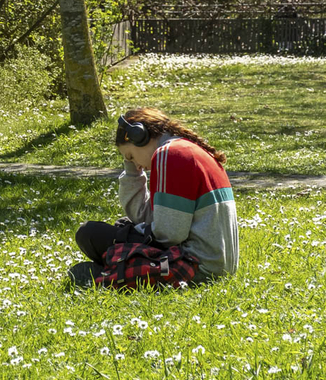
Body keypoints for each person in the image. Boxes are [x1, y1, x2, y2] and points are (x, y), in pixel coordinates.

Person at [69, 108, 239, 289]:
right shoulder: (185, 150)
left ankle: (106, 274)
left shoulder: (169, 154)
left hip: (195, 267)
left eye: (131, 156)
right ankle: (116, 265)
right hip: (217, 265)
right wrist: (131, 169)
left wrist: (139, 230)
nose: (136, 164)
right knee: (119, 227)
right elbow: (145, 216)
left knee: (90, 234)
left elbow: (169, 234)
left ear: (140, 136)